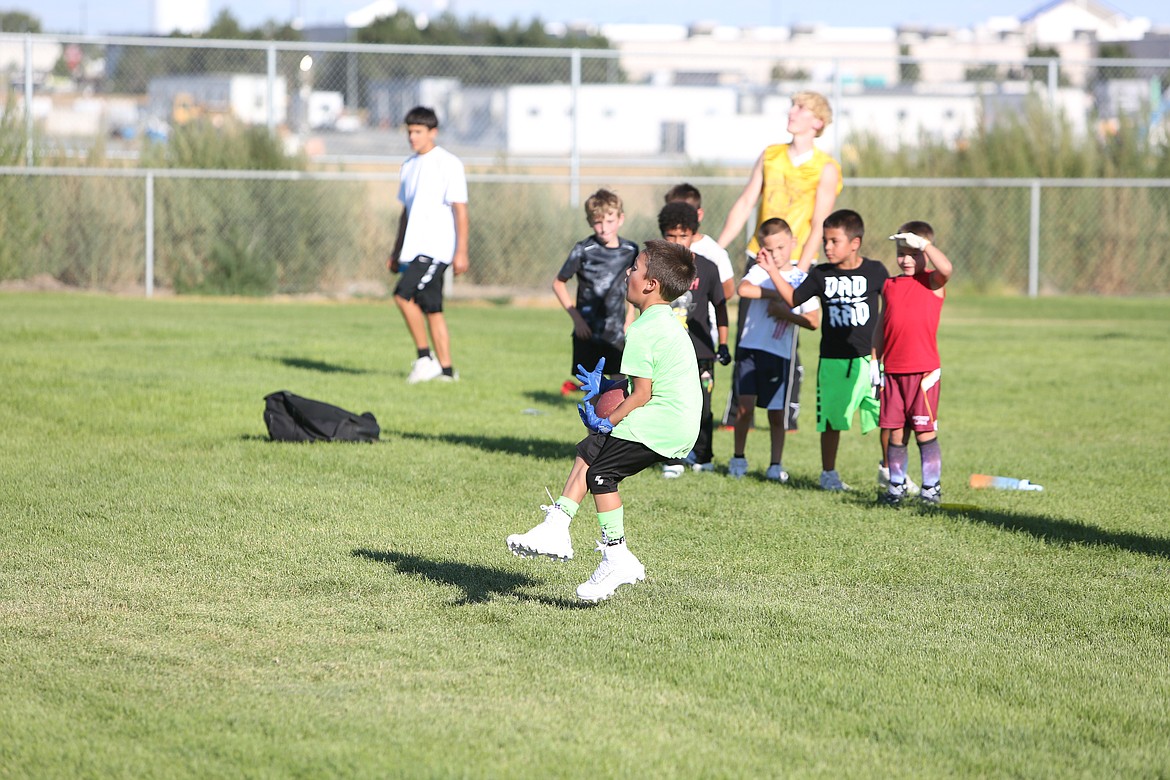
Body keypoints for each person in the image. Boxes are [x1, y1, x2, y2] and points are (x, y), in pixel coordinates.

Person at [507, 240, 701, 602]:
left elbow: (642, 394)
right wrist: (610, 386)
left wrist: (607, 419)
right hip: (677, 420)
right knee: (592, 452)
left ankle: (614, 555)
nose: (628, 272)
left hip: (665, 421)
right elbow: (646, 382)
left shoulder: (643, 329)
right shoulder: (663, 321)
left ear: (650, 284)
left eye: (635, 268)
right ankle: (559, 525)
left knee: (600, 473)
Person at [713, 91, 843, 427]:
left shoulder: (826, 167)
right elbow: (745, 204)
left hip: (797, 264)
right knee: (748, 332)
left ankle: (786, 411)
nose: (792, 111)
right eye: (793, 105)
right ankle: (737, 411)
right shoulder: (770, 156)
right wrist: (716, 248)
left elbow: (819, 222)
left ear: (817, 122)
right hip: (759, 260)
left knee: (788, 333)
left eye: (801, 108)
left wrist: (800, 272)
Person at [767, 209, 888, 490]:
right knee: (832, 420)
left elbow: (892, 304)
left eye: (835, 241)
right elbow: (795, 299)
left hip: (871, 360)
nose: (828, 247)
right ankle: (829, 474)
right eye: (825, 241)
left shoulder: (875, 271)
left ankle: (891, 470)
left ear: (855, 243)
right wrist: (772, 271)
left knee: (886, 417)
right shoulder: (821, 274)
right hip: (834, 361)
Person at [730, 218, 821, 481]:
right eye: (769, 249)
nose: (776, 254)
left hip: (779, 354)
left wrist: (786, 312)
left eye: (781, 247)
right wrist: (776, 293)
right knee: (745, 407)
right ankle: (738, 458)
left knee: (776, 413)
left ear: (793, 243)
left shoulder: (801, 279)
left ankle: (775, 464)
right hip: (750, 348)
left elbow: (813, 321)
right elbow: (744, 289)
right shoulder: (759, 271)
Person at [388, 105, 469, 384]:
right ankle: (446, 372)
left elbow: (460, 210)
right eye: (410, 131)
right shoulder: (408, 166)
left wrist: (461, 251)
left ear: (432, 132)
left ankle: (425, 358)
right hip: (413, 249)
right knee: (432, 309)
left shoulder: (448, 163)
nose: (413, 136)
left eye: (418, 131)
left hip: (436, 249)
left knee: (402, 295)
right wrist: (396, 250)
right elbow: (405, 212)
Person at [874, 222, 953, 506]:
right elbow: (882, 327)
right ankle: (896, 486)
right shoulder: (890, 285)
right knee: (895, 431)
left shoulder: (932, 281)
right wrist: (875, 361)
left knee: (924, 431)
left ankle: (931, 488)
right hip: (893, 372)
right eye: (901, 253)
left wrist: (925, 245)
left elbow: (947, 269)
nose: (906, 259)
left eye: (913, 253)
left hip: (923, 373)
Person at [655, 202, 731, 477]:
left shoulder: (708, 268)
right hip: (665, 351)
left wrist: (723, 344)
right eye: (670, 236)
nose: (676, 242)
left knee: (704, 406)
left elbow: (721, 307)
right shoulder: (654, 267)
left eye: (683, 236)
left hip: (701, 352)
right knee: (666, 403)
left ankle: (704, 455)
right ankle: (671, 459)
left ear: (693, 236)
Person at [552, 189, 639, 385]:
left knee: (618, 386)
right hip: (588, 331)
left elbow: (634, 285)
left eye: (609, 221)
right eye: (598, 222)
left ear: (620, 219)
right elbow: (558, 283)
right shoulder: (583, 250)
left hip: (616, 332)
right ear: (591, 222)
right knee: (591, 388)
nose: (603, 228)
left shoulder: (630, 250)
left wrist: (630, 316)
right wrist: (577, 320)